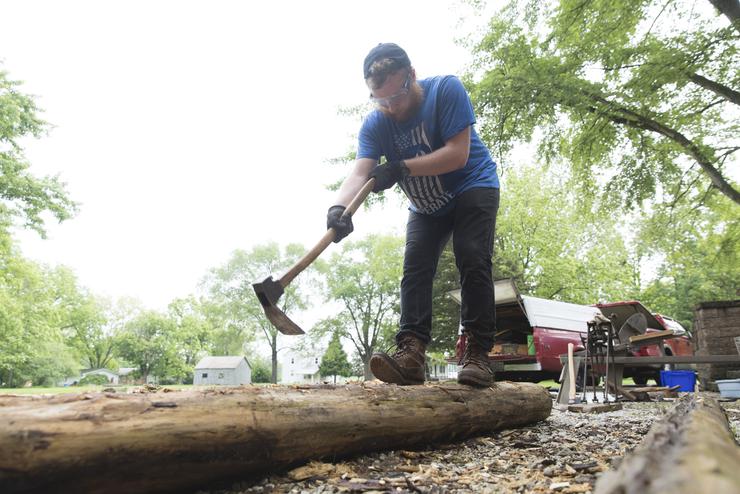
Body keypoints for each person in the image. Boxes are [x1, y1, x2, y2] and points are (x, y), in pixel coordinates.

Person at [327, 43, 500, 387]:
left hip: (472, 185)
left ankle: (478, 354)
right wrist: (339, 208)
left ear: (412, 76)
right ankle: (411, 355)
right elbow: (360, 172)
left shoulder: (445, 90)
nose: (392, 107)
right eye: (381, 100)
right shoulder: (377, 122)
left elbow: (457, 154)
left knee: (472, 256)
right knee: (415, 268)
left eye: (397, 96)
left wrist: (401, 168)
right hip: (427, 204)